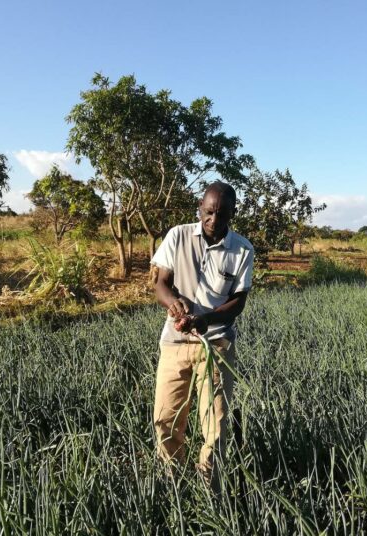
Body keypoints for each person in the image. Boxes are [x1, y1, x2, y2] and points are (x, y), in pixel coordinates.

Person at [151, 181, 254, 489]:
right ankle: (174, 480)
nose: (212, 221)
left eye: (221, 215)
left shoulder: (242, 249)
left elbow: (238, 302)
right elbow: (160, 284)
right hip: (175, 343)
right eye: (208, 213)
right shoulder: (178, 236)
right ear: (200, 207)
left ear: (233, 213)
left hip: (217, 345)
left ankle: (209, 484)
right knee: (166, 418)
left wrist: (206, 319)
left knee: (216, 424)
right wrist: (175, 304)